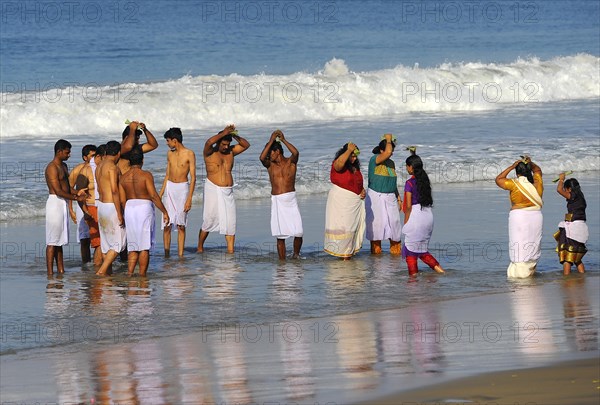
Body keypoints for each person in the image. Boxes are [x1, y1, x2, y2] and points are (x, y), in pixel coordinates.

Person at [197, 124, 250, 254]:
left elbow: (246, 145)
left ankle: (230, 251)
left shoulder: (231, 152)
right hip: (213, 189)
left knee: (230, 222)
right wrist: (223, 133)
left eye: (227, 144)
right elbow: (209, 142)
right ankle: (200, 247)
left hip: (228, 191)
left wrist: (233, 135)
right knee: (209, 220)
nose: (226, 147)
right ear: (218, 142)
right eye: (223, 144)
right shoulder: (209, 152)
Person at [120, 146, 170, 276]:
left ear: (129, 162)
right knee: (144, 245)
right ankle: (142, 276)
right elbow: (153, 195)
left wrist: (124, 213)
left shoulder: (123, 177)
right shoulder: (146, 175)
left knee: (133, 245)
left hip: (129, 207)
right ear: (142, 160)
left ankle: (130, 273)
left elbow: (122, 199)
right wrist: (164, 211)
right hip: (144, 207)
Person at [495, 156, 544, 278]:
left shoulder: (514, 184)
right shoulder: (537, 183)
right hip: (536, 216)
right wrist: (530, 163)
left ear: (517, 173)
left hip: (519, 217)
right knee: (533, 244)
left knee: (519, 244)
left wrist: (512, 166)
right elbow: (538, 170)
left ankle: (519, 273)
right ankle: (529, 271)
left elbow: (499, 179)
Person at [259, 130, 303, 260]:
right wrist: (271, 139)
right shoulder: (270, 165)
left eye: (270, 152)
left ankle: (296, 255)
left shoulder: (291, 162)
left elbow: (296, 152)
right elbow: (261, 158)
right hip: (277, 201)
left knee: (299, 232)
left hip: (291, 200)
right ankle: (282, 261)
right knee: (280, 235)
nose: (268, 155)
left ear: (277, 151)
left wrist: (283, 140)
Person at [44, 139, 86, 275]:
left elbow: (67, 188)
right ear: (59, 151)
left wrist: (78, 192)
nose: (69, 155)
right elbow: (57, 190)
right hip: (55, 203)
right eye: (67, 152)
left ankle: (61, 270)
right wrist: (75, 198)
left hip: (63, 202)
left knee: (60, 240)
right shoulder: (51, 167)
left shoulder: (64, 166)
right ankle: (50, 273)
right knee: (52, 241)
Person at [401, 154, 445, 276]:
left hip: (416, 216)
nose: (406, 168)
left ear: (411, 167)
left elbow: (408, 206)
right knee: (421, 250)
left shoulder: (409, 183)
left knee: (410, 251)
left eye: (406, 166)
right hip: (427, 216)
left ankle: (413, 279)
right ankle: (441, 271)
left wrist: (406, 222)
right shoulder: (425, 180)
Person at [324, 142, 366, 259]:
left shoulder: (355, 168)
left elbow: (356, 183)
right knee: (344, 229)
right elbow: (339, 164)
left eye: (355, 156)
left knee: (351, 230)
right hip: (341, 203)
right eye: (352, 156)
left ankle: (348, 255)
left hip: (353, 204)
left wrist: (362, 190)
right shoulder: (338, 164)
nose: (354, 158)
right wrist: (348, 150)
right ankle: (344, 256)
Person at [159, 128, 196, 257]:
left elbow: (193, 177)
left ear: (175, 140)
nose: (167, 143)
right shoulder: (170, 154)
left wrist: (189, 198)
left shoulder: (189, 153)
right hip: (170, 188)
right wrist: (160, 194)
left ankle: (180, 255)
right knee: (167, 224)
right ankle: (166, 254)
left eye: (168, 141)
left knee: (181, 225)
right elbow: (167, 175)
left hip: (182, 189)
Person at [365, 133, 402, 255]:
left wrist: (398, 197)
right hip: (376, 196)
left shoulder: (391, 163)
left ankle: (396, 255)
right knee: (377, 227)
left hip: (390, 196)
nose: (391, 152)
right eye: (388, 149)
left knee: (395, 226)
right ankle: (376, 256)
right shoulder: (374, 159)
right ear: (382, 150)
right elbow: (387, 153)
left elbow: (392, 181)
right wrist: (388, 139)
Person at [95, 140, 127, 276]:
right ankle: (101, 272)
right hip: (111, 206)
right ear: (118, 153)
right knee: (119, 243)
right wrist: (120, 213)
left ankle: (108, 275)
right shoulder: (112, 168)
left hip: (101, 205)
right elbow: (114, 190)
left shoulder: (99, 166)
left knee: (106, 244)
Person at [68, 144, 96, 264]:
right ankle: (86, 264)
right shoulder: (78, 169)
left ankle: (97, 262)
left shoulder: (97, 168)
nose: (94, 158)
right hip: (81, 205)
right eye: (92, 156)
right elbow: (69, 188)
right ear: (85, 157)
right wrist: (70, 209)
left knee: (97, 236)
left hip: (95, 204)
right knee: (84, 238)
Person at [555, 175, 588, 275]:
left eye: (566, 189)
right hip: (581, 228)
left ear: (569, 189)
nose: (565, 191)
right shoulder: (581, 198)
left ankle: (567, 279)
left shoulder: (573, 196)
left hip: (573, 229)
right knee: (577, 258)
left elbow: (559, 190)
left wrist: (561, 179)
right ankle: (582, 277)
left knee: (567, 258)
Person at [79, 144, 105, 266]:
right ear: (100, 156)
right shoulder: (86, 169)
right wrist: (84, 211)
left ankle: (101, 269)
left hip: (104, 207)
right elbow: (79, 192)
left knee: (105, 241)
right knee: (98, 243)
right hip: (92, 207)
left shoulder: (104, 167)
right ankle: (97, 273)